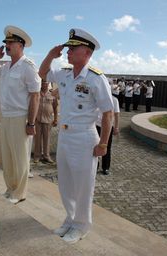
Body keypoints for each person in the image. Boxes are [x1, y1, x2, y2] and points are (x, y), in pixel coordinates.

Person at [39, 28, 114, 244]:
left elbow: (108, 113)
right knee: (66, 183)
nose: (69, 51)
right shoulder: (63, 73)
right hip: (64, 136)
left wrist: (104, 143)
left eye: (74, 48)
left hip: (84, 137)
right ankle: (70, 219)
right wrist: (50, 56)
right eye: (69, 48)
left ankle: (81, 226)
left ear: (87, 53)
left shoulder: (97, 79)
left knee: (83, 185)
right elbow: (41, 74)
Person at [0, 25, 40, 204]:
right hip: (6, 116)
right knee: (8, 155)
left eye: (11, 42)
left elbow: (35, 96)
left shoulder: (28, 66)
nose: (7, 45)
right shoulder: (7, 66)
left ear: (20, 45)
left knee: (20, 156)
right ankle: (10, 188)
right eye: (6, 42)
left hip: (20, 116)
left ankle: (20, 192)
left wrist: (31, 123)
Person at [33, 80, 58, 164]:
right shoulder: (37, 93)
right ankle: (37, 156)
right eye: (43, 83)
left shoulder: (52, 94)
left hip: (48, 120)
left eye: (46, 83)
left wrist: (55, 119)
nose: (44, 85)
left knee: (47, 139)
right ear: (41, 84)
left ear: (48, 84)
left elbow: (55, 107)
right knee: (37, 139)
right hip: (37, 119)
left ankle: (46, 156)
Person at [96, 95, 120, 175]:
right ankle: (95, 165)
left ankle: (105, 167)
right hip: (96, 125)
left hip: (108, 127)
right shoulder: (97, 97)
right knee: (95, 145)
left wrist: (116, 127)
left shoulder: (114, 100)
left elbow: (116, 114)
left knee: (106, 146)